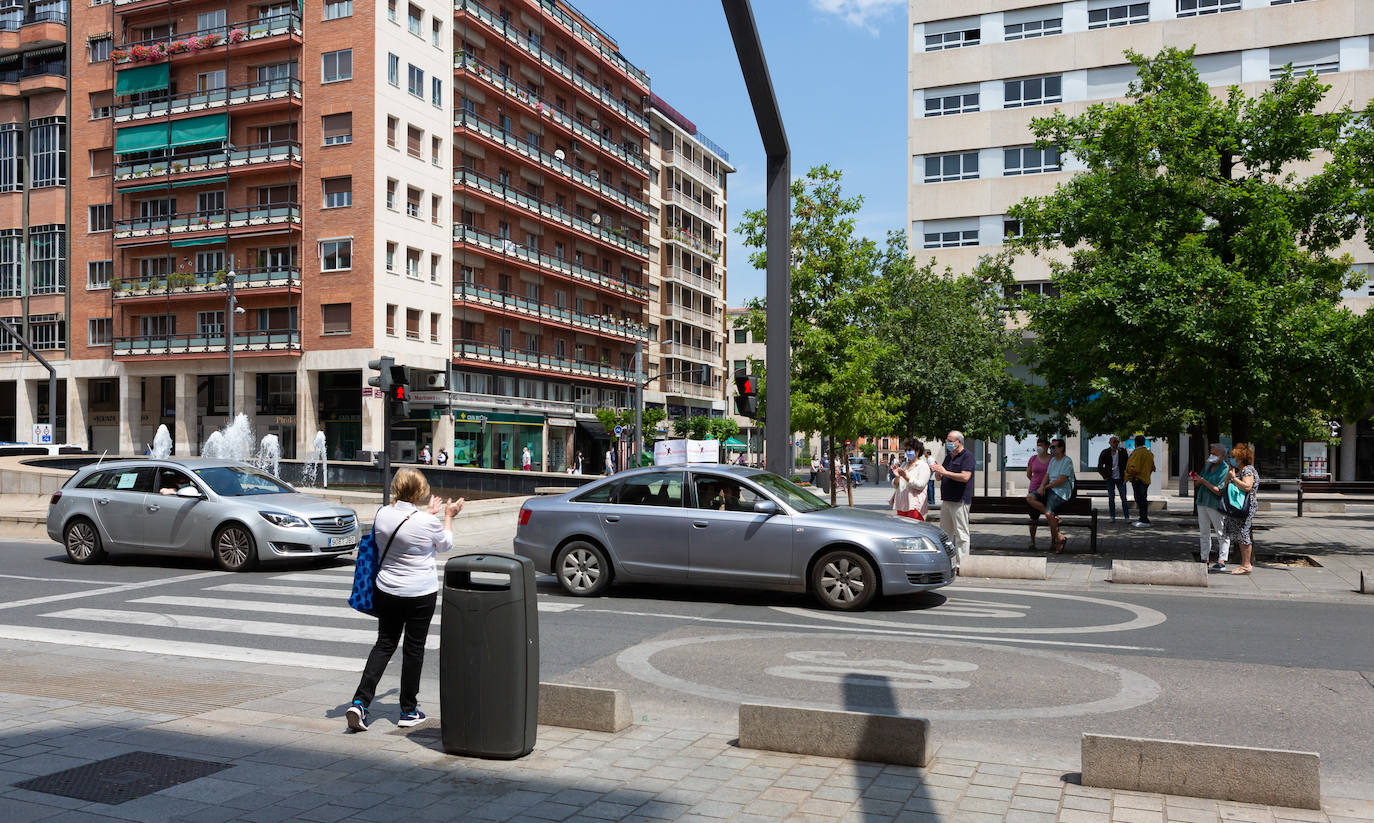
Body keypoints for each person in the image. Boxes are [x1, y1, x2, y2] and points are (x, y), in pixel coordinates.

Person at [347, 468, 463, 732]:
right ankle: (408, 710)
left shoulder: (382, 514)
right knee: (414, 649)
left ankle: (360, 702)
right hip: (420, 593)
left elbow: (404, 529)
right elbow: (445, 545)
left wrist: (427, 515)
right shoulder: (426, 522)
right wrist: (447, 516)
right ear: (420, 491)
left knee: (384, 644)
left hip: (386, 589)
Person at [932, 430, 975, 565]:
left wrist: (945, 472)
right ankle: (948, 562)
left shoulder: (967, 456)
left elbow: (965, 477)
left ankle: (962, 563)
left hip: (960, 500)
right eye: (947, 440)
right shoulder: (949, 456)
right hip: (947, 499)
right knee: (945, 533)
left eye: (950, 441)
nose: (948, 443)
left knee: (961, 534)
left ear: (959, 442)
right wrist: (938, 471)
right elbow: (941, 475)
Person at [1188, 442, 1232, 571]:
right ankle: (1204, 558)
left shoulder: (1225, 469)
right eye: (1211, 452)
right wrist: (1197, 480)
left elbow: (1218, 490)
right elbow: (1199, 484)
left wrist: (1203, 481)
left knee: (1221, 531)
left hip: (1215, 503)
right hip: (1202, 502)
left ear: (1222, 455)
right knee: (1204, 532)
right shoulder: (1209, 466)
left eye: (1214, 453)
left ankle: (1222, 560)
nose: (1212, 455)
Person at [1027, 438, 1075, 553]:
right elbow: (1046, 476)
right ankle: (1060, 536)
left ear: (1061, 448)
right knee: (1030, 497)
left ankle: (1057, 539)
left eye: (1054, 447)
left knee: (1049, 514)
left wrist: (1045, 487)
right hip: (1050, 489)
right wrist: (1042, 486)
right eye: (1051, 447)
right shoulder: (1053, 461)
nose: (1051, 449)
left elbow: (1061, 481)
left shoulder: (1067, 461)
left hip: (1061, 491)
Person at [1222, 443, 1259, 575]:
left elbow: (1247, 487)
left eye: (1234, 457)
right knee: (1240, 534)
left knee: (1243, 534)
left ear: (1241, 458)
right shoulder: (1238, 471)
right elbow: (1224, 487)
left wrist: (1233, 479)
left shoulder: (1248, 470)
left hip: (1245, 506)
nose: (1232, 459)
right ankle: (1244, 564)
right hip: (1238, 506)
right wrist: (1229, 477)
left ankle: (1246, 565)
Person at [1024, 438, 1052, 550]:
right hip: (1034, 490)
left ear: (1047, 446)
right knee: (1033, 517)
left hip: (1048, 490)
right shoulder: (1033, 458)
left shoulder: (1052, 459)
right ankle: (1032, 541)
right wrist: (1035, 482)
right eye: (1037, 444)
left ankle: (1053, 541)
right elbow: (1029, 473)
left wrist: (1045, 485)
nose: (1038, 447)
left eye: (1041, 445)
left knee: (1051, 517)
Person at [892, 440, 930, 520]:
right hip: (902, 504)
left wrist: (906, 477)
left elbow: (920, 485)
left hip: (914, 506)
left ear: (917, 451)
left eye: (910, 450)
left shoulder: (923, 466)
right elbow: (896, 485)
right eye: (906, 450)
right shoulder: (904, 465)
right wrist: (897, 477)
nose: (908, 452)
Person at [1096, 436, 1131, 522]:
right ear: (1110, 442)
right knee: (1111, 498)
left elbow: (1127, 463)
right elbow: (1100, 466)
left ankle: (1127, 517)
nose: (1116, 443)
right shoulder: (1105, 452)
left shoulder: (1122, 451)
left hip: (1120, 478)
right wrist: (1105, 475)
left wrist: (1126, 473)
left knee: (1124, 498)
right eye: (1114, 441)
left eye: (1117, 441)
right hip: (1110, 478)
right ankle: (1112, 516)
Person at [1125, 436, 1155, 528]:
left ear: (1135, 443)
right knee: (1143, 499)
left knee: (1140, 499)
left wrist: (1129, 474)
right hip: (1146, 479)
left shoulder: (1137, 453)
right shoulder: (1148, 453)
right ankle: (1143, 518)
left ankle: (1143, 519)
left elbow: (1133, 467)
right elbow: (1152, 467)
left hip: (1138, 479)